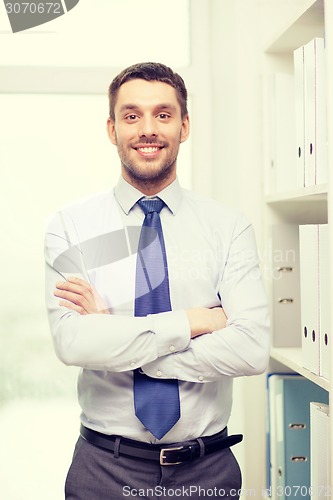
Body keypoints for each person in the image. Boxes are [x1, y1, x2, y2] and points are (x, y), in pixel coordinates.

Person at [44, 62, 270, 500]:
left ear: (184, 126)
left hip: (207, 471)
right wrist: (195, 321)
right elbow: (74, 344)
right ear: (111, 129)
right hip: (103, 471)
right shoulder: (70, 226)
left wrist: (117, 336)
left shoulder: (228, 227)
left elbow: (252, 349)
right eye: (132, 116)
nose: (148, 129)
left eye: (163, 115)